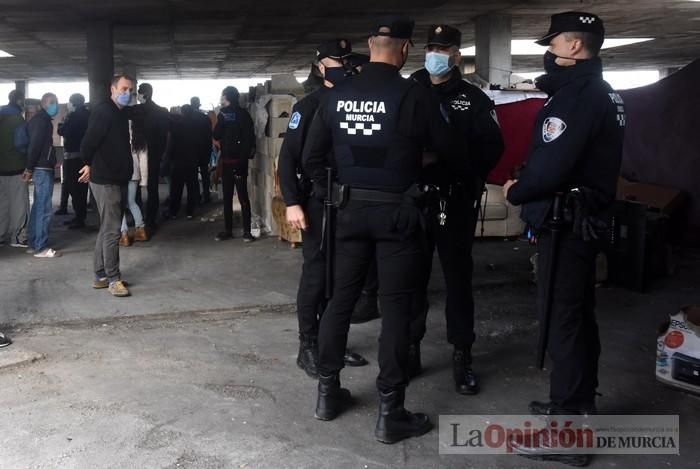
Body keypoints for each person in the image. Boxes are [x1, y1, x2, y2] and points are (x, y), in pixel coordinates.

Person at [302, 16, 450, 444]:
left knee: (339, 302)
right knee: (397, 310)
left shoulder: (337, 94)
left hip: (347, 213)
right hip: (399, 216)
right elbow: (448, 149)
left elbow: (312, 159)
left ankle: (327, 395)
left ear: (370, 45)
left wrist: (336, 192)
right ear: (404, 50)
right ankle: (391, 411)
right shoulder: (413, 95)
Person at [503, 12, 625, 465]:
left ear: (575, 47)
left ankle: (568, 431)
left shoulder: (576, 97)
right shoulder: (601, 92)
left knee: (563, 320)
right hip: (582, 216)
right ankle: (576, 401)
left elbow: (552, 167)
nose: (549, 53)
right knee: (577, 315)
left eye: (553, 44)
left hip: (568, 221)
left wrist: (520, 189)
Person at [408, 25, 505, 394]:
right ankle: (410, 348)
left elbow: (491, 148)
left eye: (443, 48)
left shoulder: (473, 99)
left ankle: (462, 354)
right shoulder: (409, 89)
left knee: (458, 280)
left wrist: (453, 162)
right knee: (411, 278)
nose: (435, 53)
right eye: (431, 47)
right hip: (416, 199)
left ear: (456, 56)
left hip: (456, 199)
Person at [279, 39, 370, 379]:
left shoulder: (357, 102)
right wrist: (292, 202)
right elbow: (288, 158)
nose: (345, 66)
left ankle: (332, 340)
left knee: (342, 275)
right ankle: (308, 345)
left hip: (349, 201)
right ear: (320, 67)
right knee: (316, 274)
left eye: (349, 60)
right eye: (337, 60)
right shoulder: (309, 105)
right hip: (317, 200)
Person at [79, 74, 135, 298]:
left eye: (130, 90)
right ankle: (113, 279)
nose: (127, 94)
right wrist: (88, 163)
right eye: (123, 89)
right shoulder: (104, 111)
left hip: (117, 176)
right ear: (113, 89)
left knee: (106, 228)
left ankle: (101, 276)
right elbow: (88, 142)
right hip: (107, 179)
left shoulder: (119, 112)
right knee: (113, 231)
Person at [212, 86, 256, 242]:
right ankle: (247, 233)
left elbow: (216, 134)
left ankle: (228, 230)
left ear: (226, 97)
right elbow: (250, 138)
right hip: (241, 163)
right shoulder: (244, 114)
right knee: (244, 198)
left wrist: (221, 120)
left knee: (228, 198)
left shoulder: (223, 114)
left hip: (227, 162)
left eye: (222, 96)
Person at [25, 92, 60, 258]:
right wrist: (29, 167)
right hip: (42, 168)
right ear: (43, 104)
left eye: (56, 102)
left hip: (41, 166)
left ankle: (33, 243)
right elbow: (35, 145)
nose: (55, 105)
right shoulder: (41, 121)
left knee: (38, 206)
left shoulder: (41, 120)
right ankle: (40, 247)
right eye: (52, 102)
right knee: (44, 209)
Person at [134, 83, 170, 233]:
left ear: (143, 94)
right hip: (154, 154)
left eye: (138, 93)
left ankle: (137, 217)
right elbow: (164, 136)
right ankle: (151, 219)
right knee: (152, 188)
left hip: (137, 152)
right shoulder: (162, 111)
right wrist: (160, 153)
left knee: (134, 187)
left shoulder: (135, 110)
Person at [0, 90, 29, 249]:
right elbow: (21, 145)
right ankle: (17, 237)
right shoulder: (18, 121)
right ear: (19, 101)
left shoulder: (1, 116)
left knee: (2, 204)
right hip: (16, 168)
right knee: (19, 205)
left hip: (0, 170)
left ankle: (1, 235)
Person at [57, 93, 90, 229]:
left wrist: (61, 122)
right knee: (81, 188)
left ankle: (79, 218)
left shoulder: (74, 116)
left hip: (73, 157)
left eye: (69, 102)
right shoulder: (88, 115)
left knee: (74, 188)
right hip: (83, 156)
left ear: (73, 103)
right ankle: (79, 216)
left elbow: (63, 131)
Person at [164, 104, 199, 220]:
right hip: (192, 161)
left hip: (178, 162)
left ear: (182, 112)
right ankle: (190, 211)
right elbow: (200, 143)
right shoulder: (195, 125)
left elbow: (171, 144)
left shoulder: (177, 125)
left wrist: (167, 159)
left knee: (176, 189)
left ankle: (174, 211)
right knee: (191, 187)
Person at [119, 117, 149, 247]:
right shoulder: (140, 140)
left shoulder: (118, 138)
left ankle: (124, 234)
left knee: (119, 205)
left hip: (119, 175)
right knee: (132, 202)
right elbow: (144, 160)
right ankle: (141, 230)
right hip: (134, 175)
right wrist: (144, 180)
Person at [190, 96, 214, 203]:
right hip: (204, 149)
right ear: (198, 105)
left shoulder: (188, 118)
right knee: (205, 173)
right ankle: (206, 195)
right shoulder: (205, 118)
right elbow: (210, 134)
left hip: (193, 150)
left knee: (193, 175)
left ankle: (196, 196)